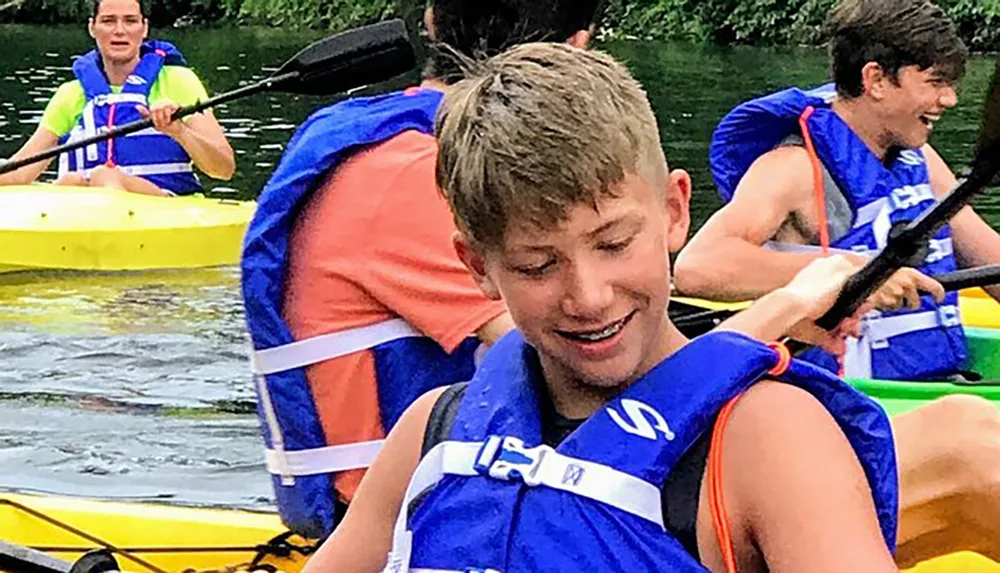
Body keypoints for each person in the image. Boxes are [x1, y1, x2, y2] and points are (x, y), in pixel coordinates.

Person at [306, 42, 902, 573]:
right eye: (536, 266)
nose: (589, 298)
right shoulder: (431, 434)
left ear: (674, 212)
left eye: (615, 244)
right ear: (477, 266)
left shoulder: (771, 441)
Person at [240, 0, 603, 540]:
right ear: (577, 49)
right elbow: (576, 366)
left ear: (431, 22)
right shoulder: (419, 174)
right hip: (394, 524)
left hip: (446, 502)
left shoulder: (410, 149)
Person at [674, 0, 1000, 382]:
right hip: (849, 401)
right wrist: (852, 272)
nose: (949, 100)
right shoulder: (795, 166)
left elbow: (987, 256)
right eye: (935, 83)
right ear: (876, 80)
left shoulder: (920, 159)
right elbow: (697, 267)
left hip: (941, 381)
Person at [0, 0, 235, 197]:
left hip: (168, 210)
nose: (119, 31)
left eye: (130, 21)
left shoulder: (178, 81)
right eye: (108, 21)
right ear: (92, 28)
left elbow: (223, 168)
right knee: (70, 181)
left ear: (144, 28)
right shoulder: (71, 94)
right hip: (93, 215)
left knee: (104, 175)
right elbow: (20, 171)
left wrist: (180, 131)